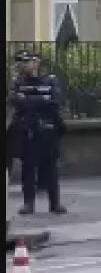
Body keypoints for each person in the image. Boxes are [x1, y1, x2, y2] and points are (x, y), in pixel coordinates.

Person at [9, 52, 66, 217]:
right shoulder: (19, 82)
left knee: (51, 167)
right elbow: (15, 101)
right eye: (22, 62)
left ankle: (55, 203)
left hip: (48, 129)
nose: (23, 65)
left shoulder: (50, 80)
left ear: (36, 62)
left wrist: (28, 99)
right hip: (28, 130)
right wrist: (41, 99)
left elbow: (55, 102)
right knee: (28, 168)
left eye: (27, 61)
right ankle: (28, 204)